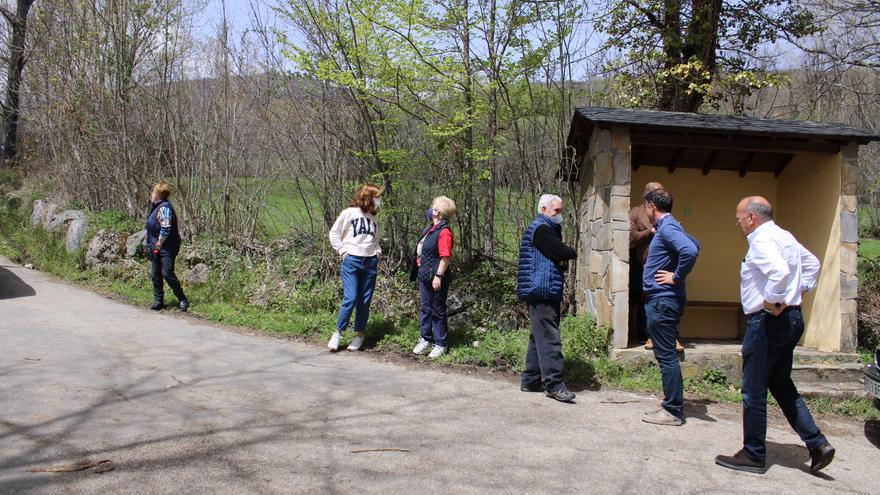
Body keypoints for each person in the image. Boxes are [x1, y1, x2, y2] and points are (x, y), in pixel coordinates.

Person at [715, 196, 835, 474]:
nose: (738, 223)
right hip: (792, 319)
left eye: (738, 218)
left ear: (751, 218)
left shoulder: (760, 240)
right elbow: (813, 264)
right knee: (780, 383)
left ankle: (754, 454)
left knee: (753, 389)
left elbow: (779, 272)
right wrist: (798, 292)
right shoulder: (785, 236)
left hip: (768, 322)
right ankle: (817, 444)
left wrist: (772, 302)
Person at [641, 188, 699, 426]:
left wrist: (675, 276)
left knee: (667, 357)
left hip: (663, 299)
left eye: (646, 207)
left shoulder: (669, 227)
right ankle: (671, 405)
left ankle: (673, 410)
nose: (645, 210)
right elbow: (696, 242)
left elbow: (691, 249)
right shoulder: (670, 227)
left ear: (652, 206)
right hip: (663, 299)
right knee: (665, 355)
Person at [517, 194, 578, 402]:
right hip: (541, 289)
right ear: (543, 209)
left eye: (560, 211)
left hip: (542, 288)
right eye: (556, 211)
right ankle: (554, 384)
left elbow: (559, 257)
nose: (560, 215)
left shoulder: (547, 229)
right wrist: (565, 255)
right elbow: (564, 252)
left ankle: (531, 379)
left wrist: (561, 258)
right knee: (550, 337)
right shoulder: (541, 229)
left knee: (539, 335)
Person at [327, 184, 382, 352]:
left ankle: (359, 336)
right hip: (352, 261)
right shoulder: (349, 213)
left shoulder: (374, 219)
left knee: (364, 301)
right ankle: (338, 333)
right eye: (377, 197)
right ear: (368, 197)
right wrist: (343, 252)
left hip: (370, 263)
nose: (379, 201)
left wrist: (377, 253)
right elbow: (334, 233)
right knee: (350, 298)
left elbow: (376, 241)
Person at [630, 181, 682, 351]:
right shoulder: (637, 213)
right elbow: (630, 238)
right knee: (646, 300)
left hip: (665, 266)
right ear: (648, 198)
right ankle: (645, 335)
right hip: (643, 265)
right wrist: (650, 232)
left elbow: (688, 247)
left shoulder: (666, 217)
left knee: (668, 299)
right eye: (656, 192)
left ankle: (670, 337)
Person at [411, 196, 457, 358]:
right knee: (425, 308)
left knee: (437, 310)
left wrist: (438, 275)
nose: (431, 209)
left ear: (437, 212)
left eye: (433, 207)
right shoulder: (431, 228)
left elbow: (445, 257)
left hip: (436, 277)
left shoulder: (444, 232)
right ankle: (425, 338)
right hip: (424, 275)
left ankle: (441, 344)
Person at [145, 182, 188, 312]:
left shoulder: (164, 208)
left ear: (158, 194)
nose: (151, 194)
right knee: (155, 274)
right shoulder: (155, 207)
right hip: (155, 246)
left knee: (167, 273)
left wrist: (159, 242)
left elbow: (166, 227)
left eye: (153, 192)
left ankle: (182, 299)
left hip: (167, 247)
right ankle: (159, 301)